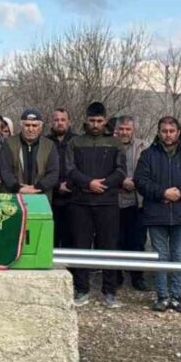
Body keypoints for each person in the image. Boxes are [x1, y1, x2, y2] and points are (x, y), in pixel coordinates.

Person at [136, 116, 181, 313]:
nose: (168, 134)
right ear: (159, 132)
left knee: (178, 256)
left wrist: (180, 193)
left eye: (171, 131)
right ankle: (162, 295)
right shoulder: (148, 154)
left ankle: (176, 296)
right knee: (160, 255)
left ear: (178, 132)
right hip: (156, 213)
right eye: (164, 131)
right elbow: (141, 181)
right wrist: (162, 193)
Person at [66, 102, 126, 308]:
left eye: (99, 121)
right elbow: (70, 169)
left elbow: (121, 171)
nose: (95, 125)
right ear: (85, 120)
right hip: (80, 202)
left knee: (108, 247)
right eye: (92, 121)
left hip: (107, 202)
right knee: (80, 246)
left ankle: (109, 292)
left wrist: (103, 184)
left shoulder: (115, 143)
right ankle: (82, 289)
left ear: (106, 120)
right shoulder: (75, 142)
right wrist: (87, 183)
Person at [116, 115, 149, 291]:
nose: (124, 132)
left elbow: (149, 170)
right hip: (115, 201)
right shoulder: (110, 145)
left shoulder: (144, 147)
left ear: (133, 130)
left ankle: (137, 276)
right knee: (116, 240)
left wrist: (135, 182)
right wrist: (121, 181)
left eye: (128, 129)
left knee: (137, 241)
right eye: (121, 129)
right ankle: (117, 276)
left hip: (138, 202)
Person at [0, 108, 59, 200]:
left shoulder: (49, 145)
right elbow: (5, 171)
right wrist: (19, 188)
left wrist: (37, 187)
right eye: (27, 125)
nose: (30, 129)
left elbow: (54, 172)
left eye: (34, 125)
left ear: (40, 127)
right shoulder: (9, 143)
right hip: (13, 197)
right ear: (21, 125)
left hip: (41, 196)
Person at [47, 108, 76, 250]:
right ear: (51, 122)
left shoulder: (76, 141)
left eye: (63, 120)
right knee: (49, 240)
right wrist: (57, 185)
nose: (60, 123)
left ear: (69, 122)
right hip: (50, 199)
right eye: (56, 120)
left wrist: (69, 185)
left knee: (71, 241)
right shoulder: (44, 142)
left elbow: (80, 167)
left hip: (73, 199)